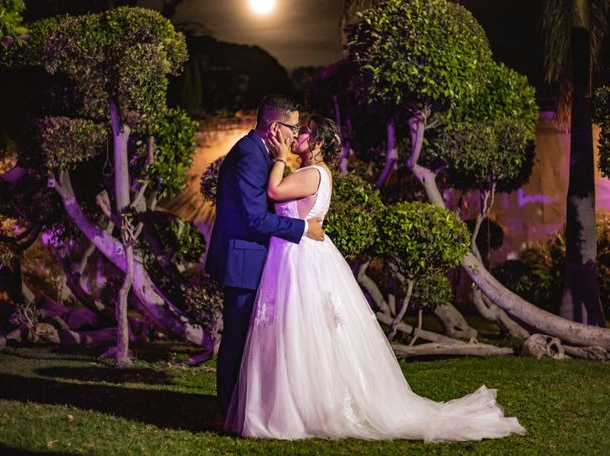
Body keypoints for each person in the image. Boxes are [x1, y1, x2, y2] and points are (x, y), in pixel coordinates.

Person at [224, 115, 526, 442]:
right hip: (291, 255)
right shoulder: (313, 172)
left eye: (306, 132)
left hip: (300, 258)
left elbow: (274, 190)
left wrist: (280, 157)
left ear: (319, 143)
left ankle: (303, 407)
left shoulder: (313, 173)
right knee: (294, 331)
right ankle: (289, 402)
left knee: (301, 330)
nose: (299, 135)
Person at [205, 94, 325, 420]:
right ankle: (228, 409)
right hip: (243, 260)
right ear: (276, 126)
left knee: (247, 336)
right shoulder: (250, 156)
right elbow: (255, 219)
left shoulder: (261, 153)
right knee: (237, 335)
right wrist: (302, 228)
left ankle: (243, 405)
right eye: (293, 126)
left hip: (254, 258)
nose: (295, 133)